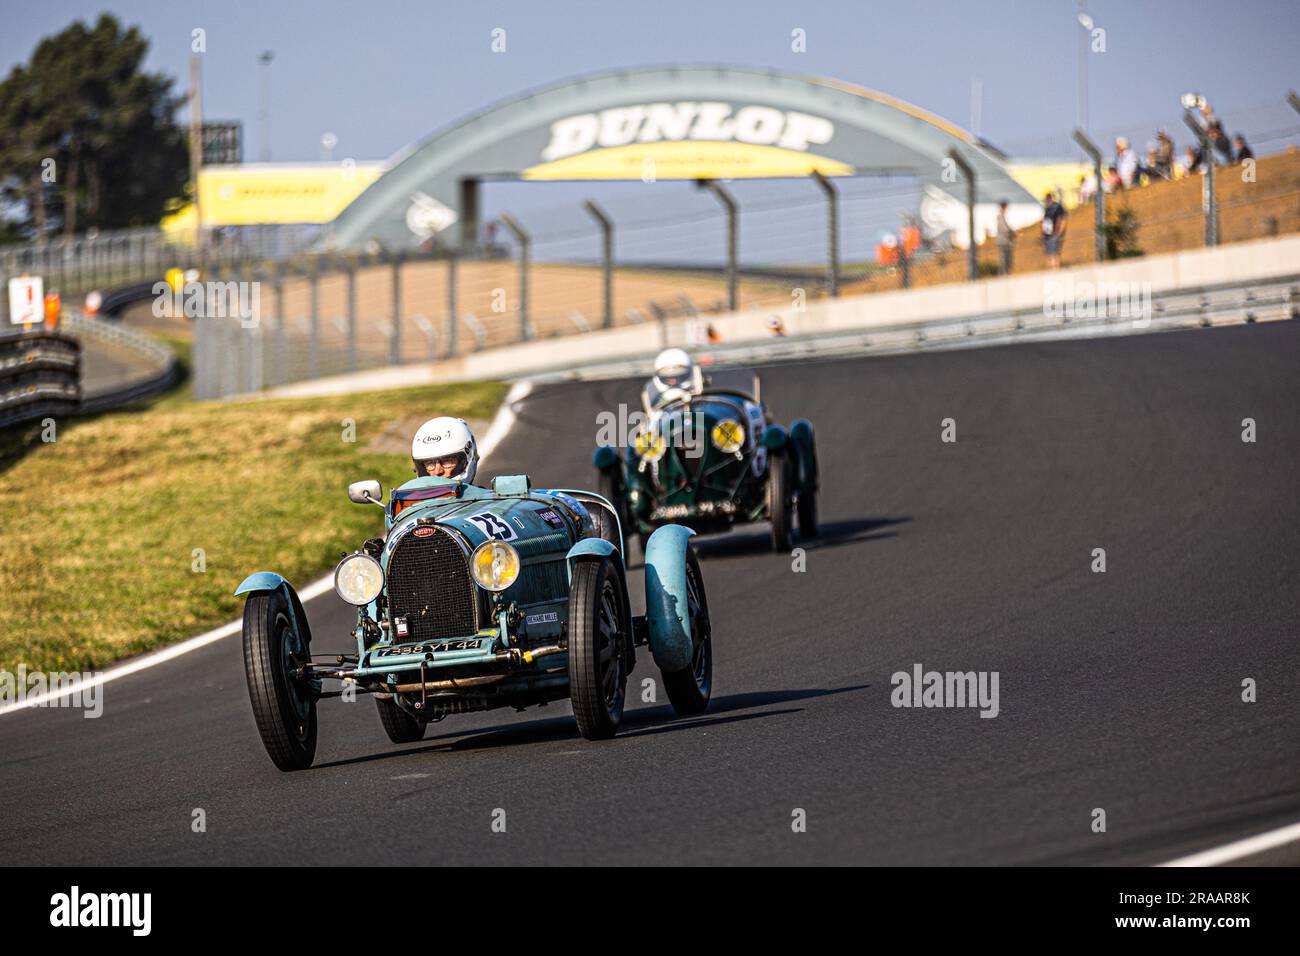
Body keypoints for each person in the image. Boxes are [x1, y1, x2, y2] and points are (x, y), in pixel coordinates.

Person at [410, 416, 479, 482]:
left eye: (447, 461)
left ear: (469, 456)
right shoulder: (408, 494)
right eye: (430, 463)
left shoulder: (485, 494)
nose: (438, 472)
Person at [643, 347, 700, 413]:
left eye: (678, 377)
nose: (673, 381)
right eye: (668, 378)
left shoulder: (700, 402)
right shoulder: (654, 403)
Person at [1040, 191, 1067, 270]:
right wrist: (1042, 233)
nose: (1047, 201)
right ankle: (1051, 269)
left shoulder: (1057, 207)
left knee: (1054, 253)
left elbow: (1063, 219)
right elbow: (1044, 221)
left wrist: (1059, 232)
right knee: (1048, 253)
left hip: (1054, 234)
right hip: (1047, 234)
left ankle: (1056, 269)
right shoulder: (1047, 209)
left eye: (1048, 199)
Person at [995, 200, 1014, 275]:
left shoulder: (1002, 216)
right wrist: (1013, 233)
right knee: (1004, 259)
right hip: (1003, 241)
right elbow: (1005, 229)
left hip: (1005, 241)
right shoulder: (1000, 217)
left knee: (1007, 259)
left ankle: (1005, 274)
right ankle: (1003, 274)